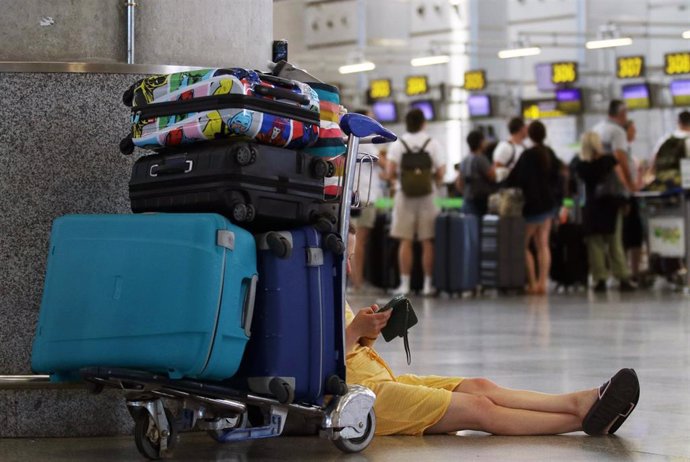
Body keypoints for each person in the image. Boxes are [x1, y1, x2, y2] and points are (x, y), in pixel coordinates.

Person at [343, 225, 640, 437]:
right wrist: (355, 330)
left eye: (351, 259)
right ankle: (582, 421)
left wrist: (366, 331)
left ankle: (579, 402)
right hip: (364, 396)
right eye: (346, 258)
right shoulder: (307, 299)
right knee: (478, 408)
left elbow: (348, 348)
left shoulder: (328, 291)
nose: (349, 270)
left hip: (381, 379)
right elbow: (315, 369)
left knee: (480, 386)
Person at [386, 108, 445, 296]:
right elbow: (442, 174)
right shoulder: (433, 143)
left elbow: (389, 172)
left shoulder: (398, 144)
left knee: (406, 241)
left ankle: (405, 285)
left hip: (404, 195)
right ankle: (428, 285)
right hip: (428, 196)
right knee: (428, 241)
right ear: (423, 123)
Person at [504, 120, 563, 295]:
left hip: (532, 207)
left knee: (523, 244)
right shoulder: (550, 153)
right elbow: (559, 178)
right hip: (548, 206)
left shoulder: (528, 155)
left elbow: (515, 179)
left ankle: (532, 282)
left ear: (530, 135)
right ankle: (543, 282)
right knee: (543, 244)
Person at [576, 131, 635, 292]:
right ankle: (622, 277)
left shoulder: (579, 164)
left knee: (595, 245)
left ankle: (599, 278)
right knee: (615, 243)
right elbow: (620, 180)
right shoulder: (609, 160)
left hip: (590, 206)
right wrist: (626, 199)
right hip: (610, 205)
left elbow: (576, 188)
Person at [349, 109, 387, 294]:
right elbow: (384, 164)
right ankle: (358, 282)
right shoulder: (365, 138)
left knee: (352, 240)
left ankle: (354, 281)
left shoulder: (348, 137)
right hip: (365, 198)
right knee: (359, 242)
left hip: (354, 195)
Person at [621, 120, 644, 283]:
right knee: (626, 237)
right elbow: (624, 176)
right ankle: (625, 272)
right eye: (632, 130)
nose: (635, 134)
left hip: (633, 197)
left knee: (636, 236)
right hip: (627, 198)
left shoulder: (629, 153)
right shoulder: (621, 153)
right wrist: (632, 188)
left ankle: (634, 271)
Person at [456, 130, 496, 217]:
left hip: (467, 201)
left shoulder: (464, 160)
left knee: (470, 229)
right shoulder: (481, 159)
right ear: (480, 142)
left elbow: (459, 183)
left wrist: (466, 192)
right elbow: (492, 177)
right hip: (480, 203)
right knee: (479, 228)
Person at [649, 110, 690, 190]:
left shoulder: (665, 139)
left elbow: (653, 162)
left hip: (664, 184)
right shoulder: (688, 139)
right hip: (683, 184)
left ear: (678, 122)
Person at [493, 117, 529, 182]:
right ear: (521, 129)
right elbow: (497, 170)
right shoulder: (505, 147)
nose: (527, 130)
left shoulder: (524, 146)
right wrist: (515, 172)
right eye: (525, 128)